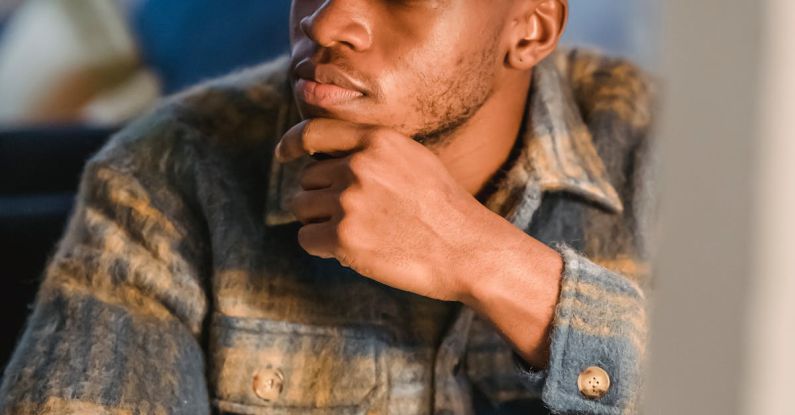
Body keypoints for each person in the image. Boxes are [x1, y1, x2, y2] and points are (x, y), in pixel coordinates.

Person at [0, 1, 655, 414]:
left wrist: (482, 256)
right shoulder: (169, 168)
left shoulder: (675, 159)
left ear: (529, 29)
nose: (326, 20)